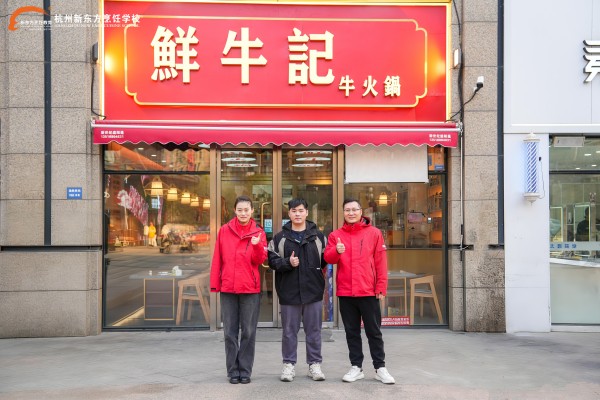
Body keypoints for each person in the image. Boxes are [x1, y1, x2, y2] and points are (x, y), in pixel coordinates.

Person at [324, 198, 395, 385]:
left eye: (354, 209)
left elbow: (380, 262)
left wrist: (381, 286)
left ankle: (380, 368)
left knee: (374, 332)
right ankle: (356, 367)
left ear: (361, 211)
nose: (351, 213)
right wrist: (337, 250)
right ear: (343, 212)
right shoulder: (336, 235)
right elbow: (329, 258)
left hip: (368, 290)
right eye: (347, 210)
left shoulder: (374, 233)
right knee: (351, 332)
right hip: (346, 292)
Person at [268, 198, 327, 382]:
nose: (298, 214)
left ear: (307, 212)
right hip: (289, 292)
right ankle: (288, 365)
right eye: (294, 211)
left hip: (313, 291)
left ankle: (314, 364)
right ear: (289, 214)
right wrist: (288, 262)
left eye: (301, 210)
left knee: (314, 331)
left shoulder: (318, 237)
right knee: (288, 331)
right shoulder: (279, 238)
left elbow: (325, 260)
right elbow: (272, 261)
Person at [210, 195, 267, 385]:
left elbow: (260, 260)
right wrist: (215, 284)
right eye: (240, 210)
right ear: (234, 210)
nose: (243, 213)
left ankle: (245, 370)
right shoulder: (224, 230)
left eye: (246, 210)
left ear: (252, 211)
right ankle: (233, 370)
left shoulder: (258, 232)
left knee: (249, 331)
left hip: (250, 288)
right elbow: (217, 258)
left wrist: (257, 246)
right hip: (228, 286)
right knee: (229, 332)